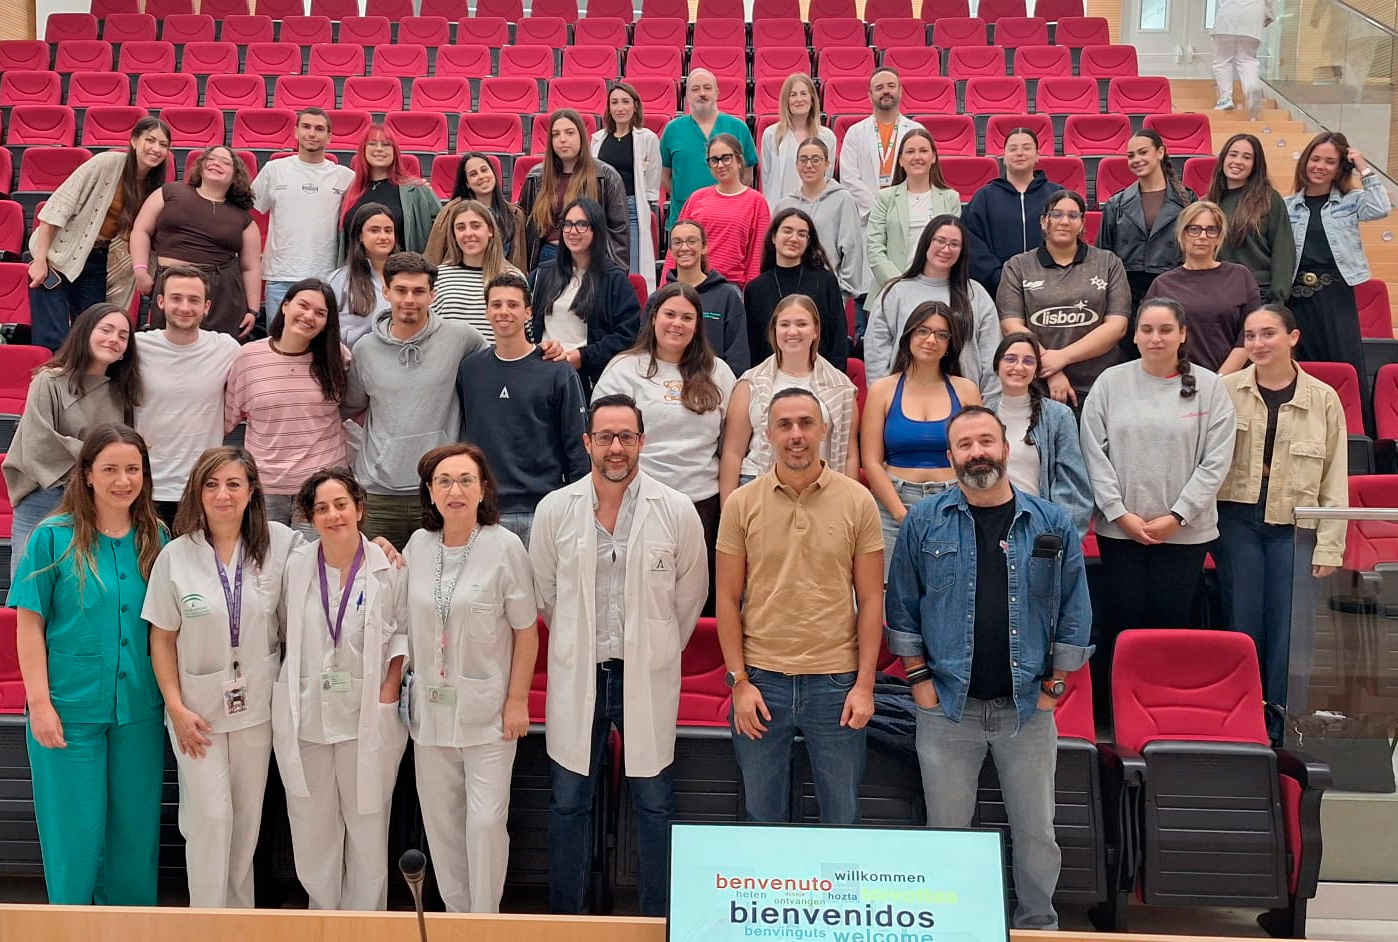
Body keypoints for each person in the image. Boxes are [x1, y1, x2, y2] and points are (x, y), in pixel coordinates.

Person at [884, 405, 1093, 931]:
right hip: (947, 710)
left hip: (1027, 710)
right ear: (950, 456)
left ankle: (1037, 924)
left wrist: (1055, 687)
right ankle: (951, 924)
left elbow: (1075, 610)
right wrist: (920, 684)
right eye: (965, 444)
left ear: (1004, 447)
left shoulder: (1051, 522)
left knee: (1037, 834)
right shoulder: (924, 522)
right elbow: (902, 609)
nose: (977, 452)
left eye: (985, 441)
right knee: (946, 831)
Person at [529, 394, 708, 917]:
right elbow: (546, 593)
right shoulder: (555, 509)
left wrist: (655, 647)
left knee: (654, 802)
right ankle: (568, 922)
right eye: (605, 436)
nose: (616, 447)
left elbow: (690, 595)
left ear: (642, 442)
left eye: (626, 437)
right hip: (580, 671)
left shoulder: (675, 509)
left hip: (644, 674)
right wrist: (577, 640)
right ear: (587, 442)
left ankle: (656, 919)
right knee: (568, 801)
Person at [8, 423, 167, 904]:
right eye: (111, 469)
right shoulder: (51, 537)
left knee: (135, 836)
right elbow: (29, 625)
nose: (124, 480)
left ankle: (130, 930)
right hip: (68, 709)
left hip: (138, 710)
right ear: (88, 474)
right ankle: (71, 927)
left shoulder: (155, 537)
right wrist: (40, 705)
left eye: (133, 469)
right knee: (73, 837)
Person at [717, 388, 883, 824]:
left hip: (836, 684)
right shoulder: (741, 504)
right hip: (761, 682)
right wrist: (738, 682)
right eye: (785, 425)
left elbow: (871, 599)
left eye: (806, 423)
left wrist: (864, 685)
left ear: (824, 430)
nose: (796, 435)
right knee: (761, 817)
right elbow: (727, 600)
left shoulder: (858, 500)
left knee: (842, 818)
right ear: (767, 434)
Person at [143, 447, 298, 908]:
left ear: (251, 492)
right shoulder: (176, 556)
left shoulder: (281, 545)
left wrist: (381, 545)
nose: (222, 494)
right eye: (211, 484)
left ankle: (238, 922)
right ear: (197, 491)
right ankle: (205, 922)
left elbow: (337, 555)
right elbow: (162, 639)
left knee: (246, 824)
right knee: (210, 818)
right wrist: (175, 708)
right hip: (196, 715)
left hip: (256, 711)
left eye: (233, 484)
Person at [400, 443, 539, 913]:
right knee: (442, 828)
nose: (454, 490)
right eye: (443, 481)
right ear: (429, 492)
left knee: (484, 824)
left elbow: (526, 632)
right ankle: (456, 919)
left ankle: (484, 920)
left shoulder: (504, 546)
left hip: (489, 715)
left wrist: (517, 701)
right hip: (430, 714)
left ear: (482, 490)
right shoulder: (418, 546)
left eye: (465, 480)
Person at [1080, 299, 1237, 685]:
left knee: (1172, 627)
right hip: (1121, 531)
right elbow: (1092, 453)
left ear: (1182, 334)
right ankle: (1121, 706)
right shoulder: (1110, 383)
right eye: (1147, 329)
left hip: (1185, 533)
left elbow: (1216, 460)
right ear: (1134, 335)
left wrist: (1179, 515)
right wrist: (1119, 513)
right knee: (1124, 625)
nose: (1155, 338)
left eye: (1166, 330)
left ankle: (1165, 702)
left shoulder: (1211, 387)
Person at [272, 467, 407, 911]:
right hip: (308, 714)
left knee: (368, 830)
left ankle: (365, 927)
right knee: (312, 829)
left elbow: (405, 632)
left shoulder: (388, 568)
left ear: (360, 509)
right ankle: (324, 920)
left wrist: (389, 688)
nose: (333, 515)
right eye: (322, 508)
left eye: (341, 505)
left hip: (366, 718)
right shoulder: (295, 567)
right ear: (310, 518)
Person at [1216, 305, 1347, 739]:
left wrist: (1330, 544)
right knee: (1242, 624)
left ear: (1293, 337)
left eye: (1268, 333)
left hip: (1296, 524)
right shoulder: (1225, 390)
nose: (1258, 344)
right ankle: (1242, 723)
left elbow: (1334, 476)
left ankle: (1282, 726)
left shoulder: (1323, 398)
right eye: (1250, 336)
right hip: (1237, 520)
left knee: (1291, 632)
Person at [594, 282, 738, 612]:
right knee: (640, 601)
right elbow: (605, 439)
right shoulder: (624, 368)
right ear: (654, 317)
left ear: (698, 325)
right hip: (638, 502)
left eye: (687, 317)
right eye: (670, 314)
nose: (677, 324)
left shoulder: (719, 373)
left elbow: (730, 443)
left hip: (701, 504)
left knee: (696, 603)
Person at [343, 252, 487, 549]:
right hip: (379, 494)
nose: (409, 299)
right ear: (386, 292)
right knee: (379, 575)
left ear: (432, 295)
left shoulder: (461, 338)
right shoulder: (365, 349)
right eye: (401, 290)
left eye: (419, 291)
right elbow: (352, 406)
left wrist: (547, 351)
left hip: (441, 489)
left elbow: (501, 364)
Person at [4, 304, 141, 577]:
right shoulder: (48, 380)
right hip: (44, 496)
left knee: (80, 583)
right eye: (106, 330)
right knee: (29, 582)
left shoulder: (121, 393)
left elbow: (122, 450)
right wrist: (101, 460)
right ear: (85, 332)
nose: (114, 339)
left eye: (123, 336)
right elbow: (38, 442)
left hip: (95, 498)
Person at [456, 273, 590, 547]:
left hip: (544, 509)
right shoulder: (470, 369)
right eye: (496, 305)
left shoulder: (557, 371)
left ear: (528, 312)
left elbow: (577, 446)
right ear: (486, 311)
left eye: (513, 305)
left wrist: (578, 506)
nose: (504, 312)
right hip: (486, 510)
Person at [27, 116, 170, 352]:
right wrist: (40, 260)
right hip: (58, 253)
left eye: (163, 145)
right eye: (150, 140)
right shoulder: (107, 163)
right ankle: (52, 374)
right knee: (53, 335)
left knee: (93, 330)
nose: (156, 149)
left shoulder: (153, 187)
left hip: (97, 258)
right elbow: (57, 207)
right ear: (134, 140)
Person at [862, 301, 983, 575]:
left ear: (950, 344)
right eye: (923, 331)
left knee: (952, 588)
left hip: (953, 502)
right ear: (909, 336)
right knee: (893, 591)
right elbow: (871, 462)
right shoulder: (882, 390)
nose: (931, 340)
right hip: (892, 504)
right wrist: (901, 514)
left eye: (941, 334)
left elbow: (976, 457)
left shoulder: (966, 390)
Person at [224, 279, 350, 531]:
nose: (309, 316)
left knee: (317, 557)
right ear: (285, 306)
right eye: (303, 305)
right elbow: (227, 419)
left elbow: (353, 408)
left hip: (322, 486)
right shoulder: (248, 357)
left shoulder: (338, 357)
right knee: (268, 556)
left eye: (320, 313)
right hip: (266, 487)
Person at [999, 190, 1132, 409]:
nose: (1064, 222)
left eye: (1073, 215)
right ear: (1044, 221)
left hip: (1099, 385)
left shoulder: (1108, 263)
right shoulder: (1017, 266)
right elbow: (1011, 326)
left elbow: (1117, 327)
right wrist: (1051, 369)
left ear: (1082, 223)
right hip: (1038, 386)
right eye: (1057, 214)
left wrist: (1062, 358)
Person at [720, 295, 859, 500]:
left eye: (802, 324)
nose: (792, 331)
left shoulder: (842, 387)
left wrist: (850, 504)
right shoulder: (750, 383)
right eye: (784, 324)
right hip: (758, 486)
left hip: (821, 492)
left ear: (815, 331)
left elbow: (849, 455)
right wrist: (728, 509)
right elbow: (732, 453)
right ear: (774, 331)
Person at [133, 266, 240, 526]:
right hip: (145, 485)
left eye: (194, 300)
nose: (184, 307)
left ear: (206, 307)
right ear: (161, 302)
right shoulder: (136, 346)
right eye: (176, 298)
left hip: (202, 486)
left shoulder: (226, 348)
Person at [1284, 132, 1391, 386]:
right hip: (1296, 296)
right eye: (1315, 159)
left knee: (1343, 359)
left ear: (1339, 168)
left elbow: (1381, 208)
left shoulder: (1350, 201)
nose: (1320, 166)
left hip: (1336, 294)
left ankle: (1351, 411)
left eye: (1329, 161)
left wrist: (1362, 167)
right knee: (1301, 366)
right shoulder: (1286, 205)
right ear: (1305, 161)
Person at [130, 145, 261, 339]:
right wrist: (140, 271)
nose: (216, 163)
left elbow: (251, 268)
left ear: (235, 175)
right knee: (167, 345)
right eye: (211, 159)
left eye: (225, 162)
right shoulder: (169, 192)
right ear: (201, 166)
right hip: (170, 283)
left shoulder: (244, 219)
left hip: (220, 293)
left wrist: (253, 310)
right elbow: (141, 230)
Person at [866, 216, 1002, 402]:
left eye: (954, 244)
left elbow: (991, 354)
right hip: (904, 401)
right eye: (940, 241)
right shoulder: (895, 292)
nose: (946, 249)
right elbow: (876, 352)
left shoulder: (976, 294)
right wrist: (883, 399)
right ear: (926, 242)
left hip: (965, 404)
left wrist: (987, 405)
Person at [528, 198, 641, 393]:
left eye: (581, 224)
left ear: (596, 230)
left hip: (586, 377)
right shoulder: (542, 273)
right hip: (542, 370)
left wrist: (583, 357)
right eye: (567, 224)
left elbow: (627, 334)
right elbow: (525, 322)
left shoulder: (614, 280)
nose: (572, 231)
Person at [252, 108, 355, 318]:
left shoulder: (345, 177)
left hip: (326, 277)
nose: (312, 133)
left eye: (319, 129)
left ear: (329, 137)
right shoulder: (274, 170)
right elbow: (249, 211)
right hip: (281, 275)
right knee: (278, 336)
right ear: (296, 132)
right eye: (306, 127)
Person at [992, 333, 1094, 539]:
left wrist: (1060, 538)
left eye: (1028, 361)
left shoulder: (1058, 416)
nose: (1019, 367)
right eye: (1010, 359)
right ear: (997, 366)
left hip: (1040, 529)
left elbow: (1073, 486)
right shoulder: (982, 413)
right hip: (990, 525)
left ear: (1037, 371)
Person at [1144, 201, 1260, 374]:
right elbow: (1151, 338)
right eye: (1194, 229)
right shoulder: (1162, 284)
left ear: (1219, 238)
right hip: (1177, 379)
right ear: (1181, 235)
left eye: (1211, 230)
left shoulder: (1240, 276)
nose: (1203, 236)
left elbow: (1249, 334)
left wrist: (1218, 380)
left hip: (1232, 379)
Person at [1097, 130, 1197, 315]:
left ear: (1160, 152)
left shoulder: (1187, 200)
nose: (1136, 160)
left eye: (1143, 152)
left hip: (1174, 289)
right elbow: (1104, 256)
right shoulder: (1116, 203)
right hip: (1126, 293)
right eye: (1130, 156)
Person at [518, 109, 630, 270]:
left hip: (590, 257)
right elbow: (524, 227)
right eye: (556, 134)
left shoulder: (606, 176)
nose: (562, 139)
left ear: (581, 137)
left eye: (569, 133)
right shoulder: (536, 176)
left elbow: (619, 232)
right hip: (548, 257)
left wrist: (614, 274)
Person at [743, 208, 848, 373]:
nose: (794, 238)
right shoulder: (755, 289)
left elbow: (838, 336)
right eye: (787, 231)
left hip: (819, 375)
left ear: (808, 241)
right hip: (770, 377)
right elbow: (752, 345)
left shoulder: (825, 281)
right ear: (773, 237)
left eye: (802, 234)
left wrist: (835, 377)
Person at [964, 127, 1063, 297]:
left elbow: (1069, 238)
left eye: (1026, 148)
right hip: (997, 291)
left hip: (1051, 288)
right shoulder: (984, 197)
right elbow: (972, 244)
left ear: (1037, 155)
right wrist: (1000, 277)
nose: (1019, 153)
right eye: (1013, 148)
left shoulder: (1056, 195)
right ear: (1004, 156)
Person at [665, 133, 770, 290]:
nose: (720, 165)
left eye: (726, 158)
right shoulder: (696, 198)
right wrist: (665, 286)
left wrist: (751, 294)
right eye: (714, 160)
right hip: (691, 285)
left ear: (739, 160)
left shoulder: (756, 201)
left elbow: (757, 256)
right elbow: (677, 243)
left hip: (730, 286)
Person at [867, 129, 962, 299]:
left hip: (938, 291)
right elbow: (875, 248)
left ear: (933, 157)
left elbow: (954, 247)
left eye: (923, 151)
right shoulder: (885, 198)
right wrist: (899, 285)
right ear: (901, 160)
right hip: (891, 291)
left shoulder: (950, 198)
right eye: (910, 152)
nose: (917, 157)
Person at [660, 69, 758, 228]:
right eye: (695, 89)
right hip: (684, 220)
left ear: (717, 92)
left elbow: (747, 175)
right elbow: (665, 175)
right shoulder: (672, 130)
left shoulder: (738, 127)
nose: (702, 93)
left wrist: (730, 199)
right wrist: (686, 199)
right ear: (687, 95)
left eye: (707, 88)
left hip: (728, 218)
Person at [1207, 133, 1296, 304]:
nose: (1238, 161)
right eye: (1233, 154)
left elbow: (1283, 251)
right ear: (1223, 158)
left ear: (1255, 165)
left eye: (1247, 157)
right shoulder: (1207, 203)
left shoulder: (1269, 199)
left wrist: (1277, 300)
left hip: (1258, 293)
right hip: (1216, 292)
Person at [591, 82, 662, 291]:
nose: (620, 108)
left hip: (631, 210)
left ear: (635, 106)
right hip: (601, 210)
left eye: (625, 102)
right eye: (614, 102)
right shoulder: (598, 139)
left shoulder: (647, 138)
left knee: (631, 268)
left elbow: (652, 180)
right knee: (601, 267)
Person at [774, 137, 864, 301]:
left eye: (816, 160)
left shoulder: (843, 200)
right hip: (789, 293)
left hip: (828, 291)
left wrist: (842, 293)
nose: (809, 165)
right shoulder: (784, 204)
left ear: (827, 164)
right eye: (803, 160)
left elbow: (852, 250)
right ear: (796, 164)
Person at [337, 123, 441, 260]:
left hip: (403, 271)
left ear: (394, 151)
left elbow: (441, 231)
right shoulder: (350, 191)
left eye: (386, 144)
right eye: (372, 144)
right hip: (356, 272)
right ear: (363, 149)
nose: (379, 149)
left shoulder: (418, 191)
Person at [661, 218, 751, 374]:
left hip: (715, 382)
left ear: (704, 247)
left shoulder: (727, 296)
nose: (684, 248)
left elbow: (738, 354)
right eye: (677, 242)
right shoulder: (660, 298)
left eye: (692, 241)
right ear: (670, 250)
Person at [428, 200, 525, 345]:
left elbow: (525, 332)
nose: (468, 233)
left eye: (476, 226)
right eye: (460, 228)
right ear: (454, 235)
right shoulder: (439, 276)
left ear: (490, 230)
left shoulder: (513, 276)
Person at [837, 68, 921, 228]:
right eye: (879, 88)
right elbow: (849, 179)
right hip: (868, 219)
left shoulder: (916, 131)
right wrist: (879, 208)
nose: (886, 91)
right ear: (870, 96)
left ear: (900, 91)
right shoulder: (855, 133)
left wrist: (898, 208)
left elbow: (921, 175)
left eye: (891, 86)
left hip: (908, 214)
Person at [425, 152, 527, 271]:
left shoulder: (515, 215)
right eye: (473, 174)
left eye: (484, 170)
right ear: (467, 183)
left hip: (502, 279)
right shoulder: (450, 212)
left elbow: (520, 262)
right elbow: (433, 256)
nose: (481, 176)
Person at [759, 74, 838, 213]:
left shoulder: (827, 137)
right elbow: (767, 178)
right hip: (780, 210)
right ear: (786, 101)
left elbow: (826, 177)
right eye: (793, 95)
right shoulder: (771, 135)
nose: (799, 99)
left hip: (815, 210)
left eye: (803, 93)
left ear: (812, 99)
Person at [327, 202, 396, 347]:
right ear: (360, 236)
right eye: (374, 230)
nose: (383, 236)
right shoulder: (340, 280)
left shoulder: (405, 276)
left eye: (388, 230)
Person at [1212, 0, 1275, 117]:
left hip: (1227, 16)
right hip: (1252, 19)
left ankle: (1225, 98)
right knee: (1247, 60)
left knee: (1222, 61)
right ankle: (1252, 87)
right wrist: (1268, 13)